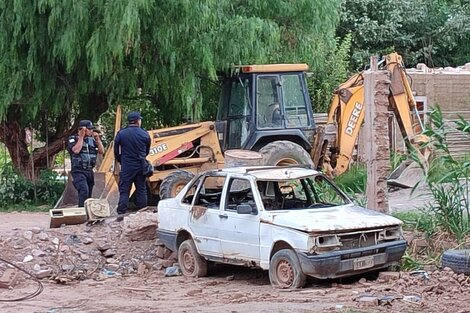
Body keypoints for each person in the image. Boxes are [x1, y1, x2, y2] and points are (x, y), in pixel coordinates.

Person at [114, 111, 151, 217]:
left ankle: (121, 213)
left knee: (124, 190)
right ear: (137, 121)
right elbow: (147, 151)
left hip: (127, 166)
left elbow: (116, 150)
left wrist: (121, 160)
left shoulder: (121, 134)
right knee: (141, 189)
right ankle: (142, 212)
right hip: (141, 166)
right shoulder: (145, 134)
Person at [67, 120, 104, 207]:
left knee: (89, 195)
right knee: (84, 190)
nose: (92, 131)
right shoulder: (73, 139)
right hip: (78, 171)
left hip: (89, 171)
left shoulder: (92, 140)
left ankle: (88, 213)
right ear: (82, 129)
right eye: (89, 129)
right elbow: (76, 150)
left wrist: (98, 140)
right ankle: (82, 210)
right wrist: (81, 137)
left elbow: (102, 151)